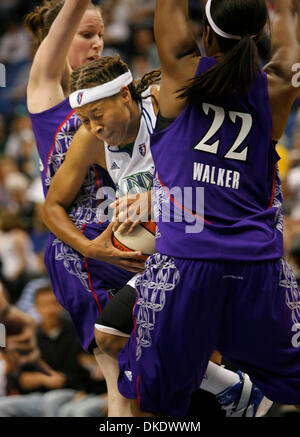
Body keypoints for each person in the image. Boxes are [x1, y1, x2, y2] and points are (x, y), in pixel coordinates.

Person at [44, 54, 272, 417]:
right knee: (107, 333)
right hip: (157, 258)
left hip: (205, 242)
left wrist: (155, 199)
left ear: (124, 94)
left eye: (98, 115)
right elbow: (52, 206)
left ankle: (237, 387)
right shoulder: (90, 139)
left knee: (129, 347)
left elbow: (222, 179)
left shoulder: (171, 107)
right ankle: (232, 388)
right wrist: (91, 247)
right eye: (86, 120)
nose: (94, 127)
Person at [114, 0, 300, 417]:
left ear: (208, 34)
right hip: (258, 268)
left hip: (186, 263)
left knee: (150, 402)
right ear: (258, 36)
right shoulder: (278, 87)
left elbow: (169, 7)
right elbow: (289, 24)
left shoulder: (182, 72)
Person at [25, 0, 143, 416]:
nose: (97, 43)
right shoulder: (43, 94)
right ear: (53, 41)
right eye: (85, 34)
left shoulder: (119, 94)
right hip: (80, 242)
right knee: (118, 371)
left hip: (129, 230)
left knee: (157, 352)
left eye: (100, 35)